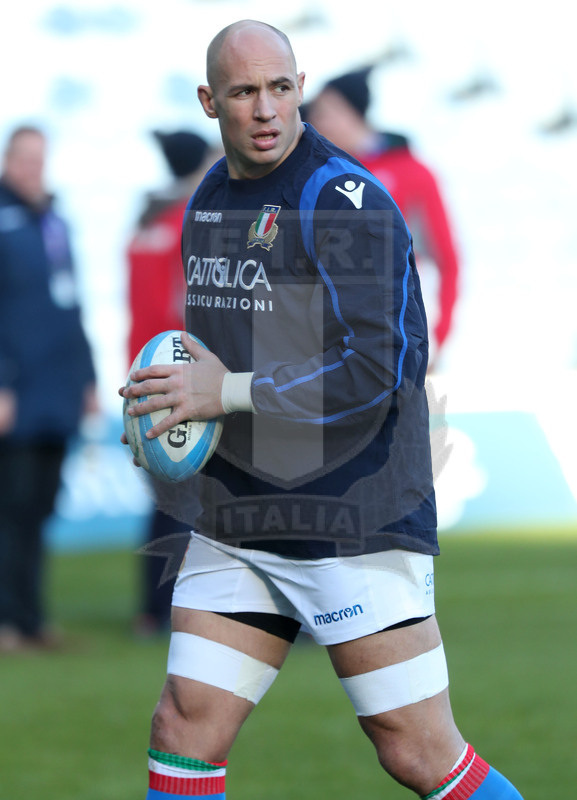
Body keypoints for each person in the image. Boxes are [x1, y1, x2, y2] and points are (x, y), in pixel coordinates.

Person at [120, 20, 524, 799]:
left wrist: (223, 392)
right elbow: (214, 358)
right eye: (244, 91)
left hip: (349, 514)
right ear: (209, 101)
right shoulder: (210, 197)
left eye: (280, 88)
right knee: (184, 727)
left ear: (300, 87)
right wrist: (171, 403)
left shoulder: (344, 202)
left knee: (418, 753)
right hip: (238, 514)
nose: (265, 109)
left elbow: (378, 370)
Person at [0, 125, 97, 652]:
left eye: (41, 159)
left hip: (55, 391)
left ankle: (32, 619)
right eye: (25, 158)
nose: (34, 168)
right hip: (15, 392)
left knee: (39, 508)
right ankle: (6, 621)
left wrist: (88, 379)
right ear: (8, 160)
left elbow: (72, 306)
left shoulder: (54, 221)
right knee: (9, 509)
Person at [305, 67, 460, 368]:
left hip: (395, 343)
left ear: (353, 112)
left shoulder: (412, 172)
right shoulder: (316, 174)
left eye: (325, 112)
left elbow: (446, 260)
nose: (316, 122)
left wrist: (436, 336)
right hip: (325, 345)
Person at [126, 129, 217, 637]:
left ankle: (153, 609)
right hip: (178, 369)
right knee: (190, 495)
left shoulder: (146, 222)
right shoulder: (192, 219)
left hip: (141, 370)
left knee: (168, 495)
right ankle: (175, 610)